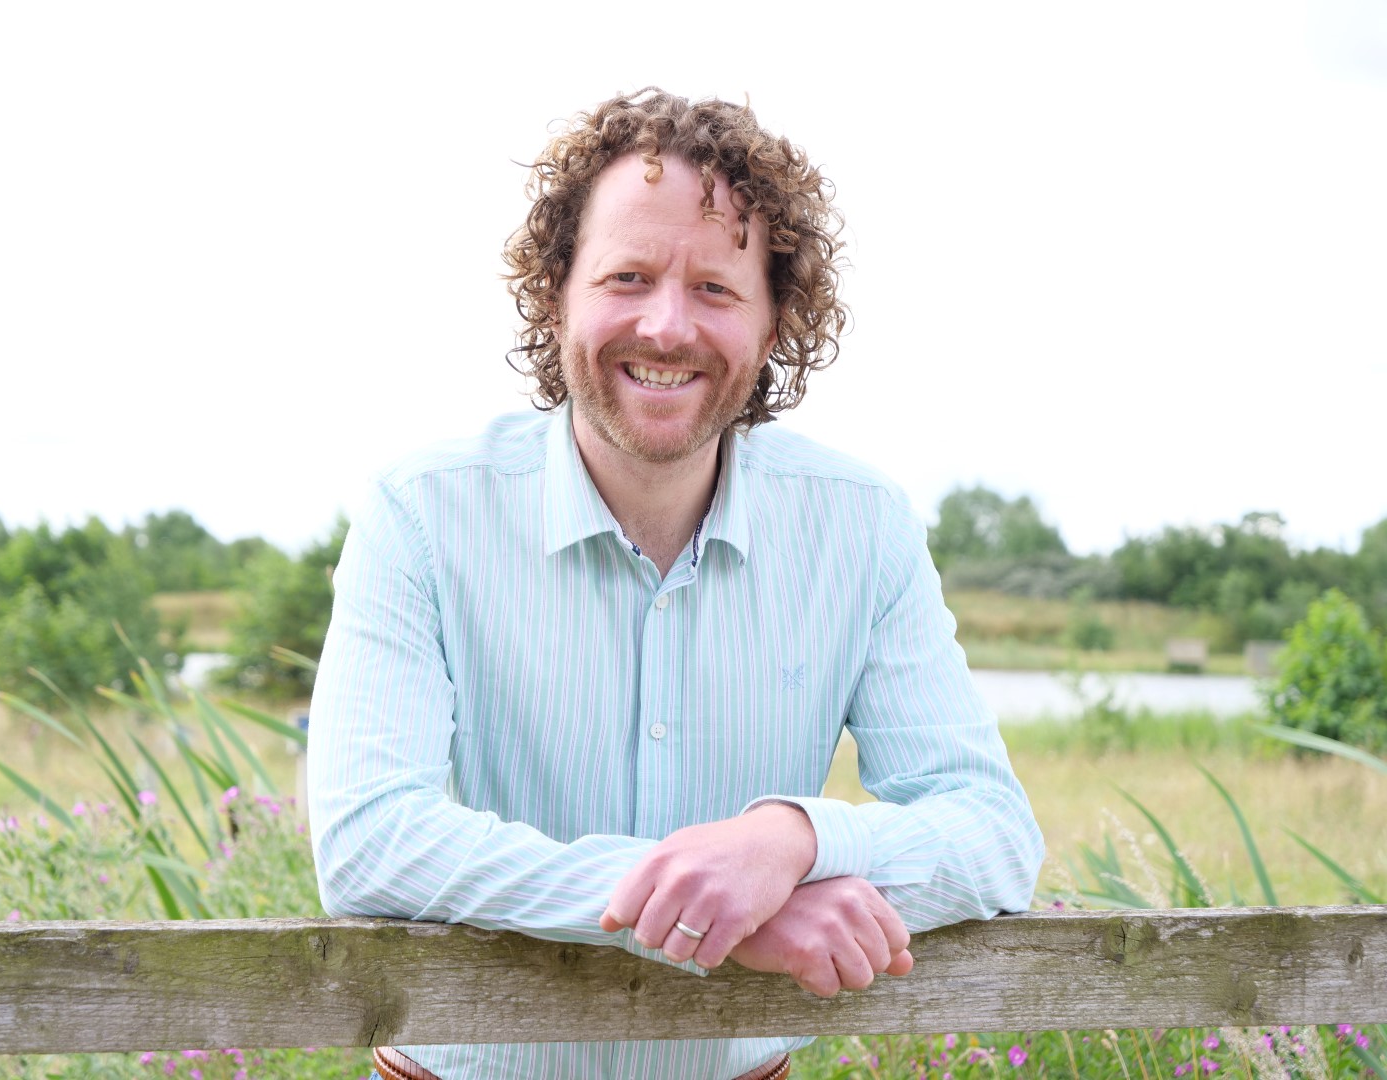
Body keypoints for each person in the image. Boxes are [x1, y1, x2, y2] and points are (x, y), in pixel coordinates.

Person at [308, 87, 1045, 1080]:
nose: (665, 325)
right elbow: (370, 843)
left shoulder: (862, 526)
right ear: (556, 290)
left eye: (714, 288)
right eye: (627, 275)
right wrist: (719, 908)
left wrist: (791, 842)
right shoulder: (420, 512)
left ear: (776, 317)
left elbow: (995, 835)